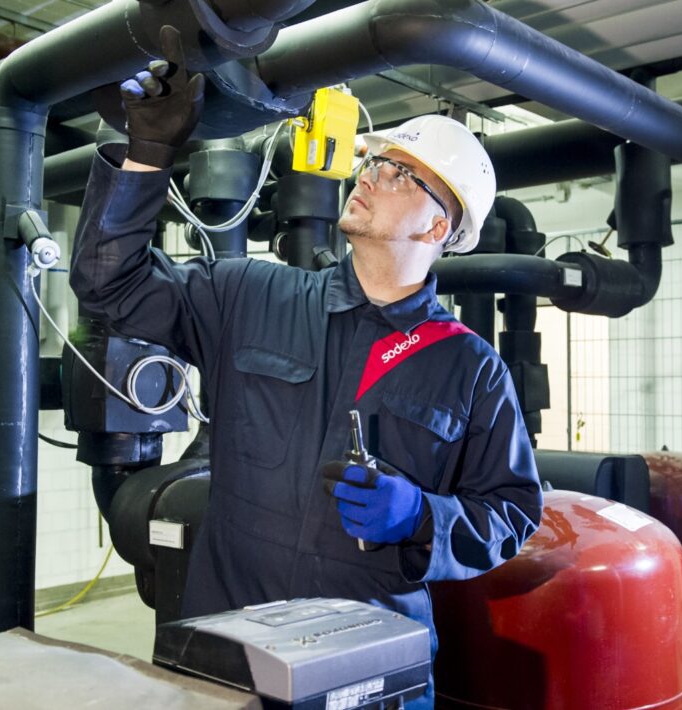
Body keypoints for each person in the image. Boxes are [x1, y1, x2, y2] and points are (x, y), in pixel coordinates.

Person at [69, 26, 542, 707]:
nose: (369, 175)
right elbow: (109, 286)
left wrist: (421, 517)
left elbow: (511, 513)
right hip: (229, 656)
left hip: (370, 671)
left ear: (438, 227)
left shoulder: (470, 367)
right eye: (374, 161)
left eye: (400, 173)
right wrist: (148, 155)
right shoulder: (250, 294)